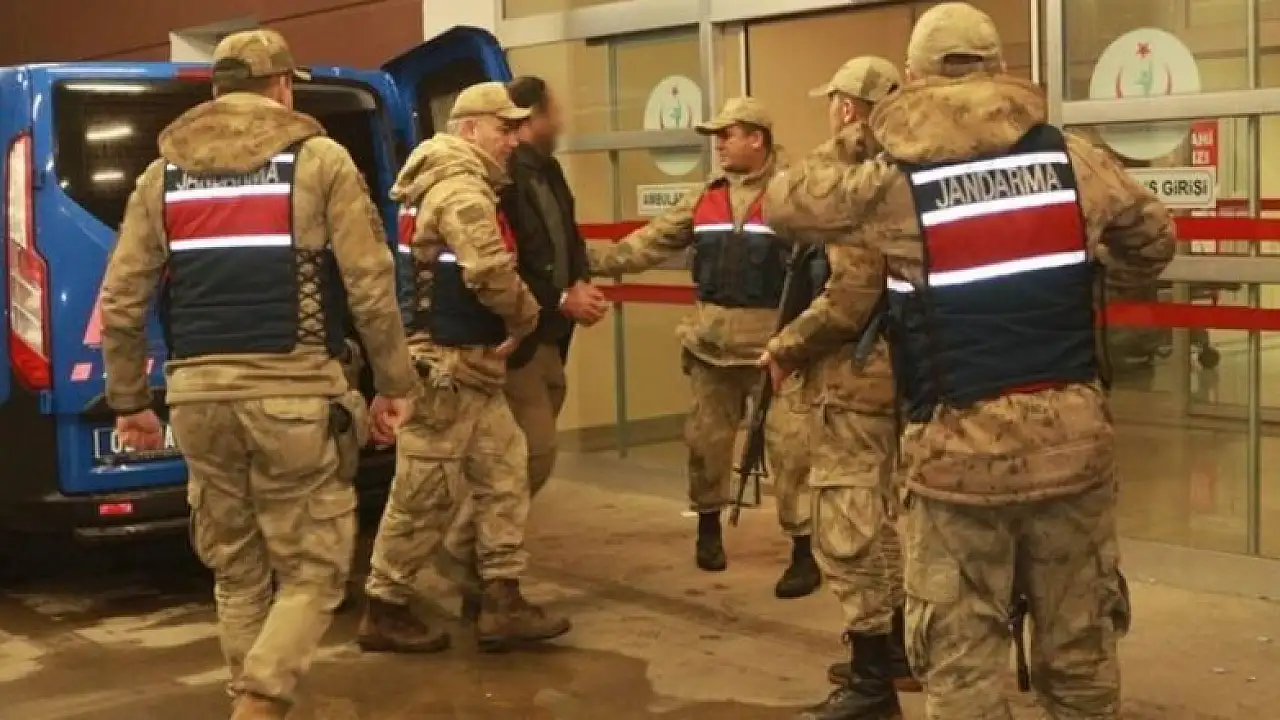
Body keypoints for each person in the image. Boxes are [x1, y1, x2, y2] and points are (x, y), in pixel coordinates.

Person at [763, 3, 1172, 718]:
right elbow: (1153, 241)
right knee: (1080, 656)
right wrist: (1088, 275)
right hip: (1072, 448)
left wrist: (866, 130)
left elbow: (784, 205)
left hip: (956, 459)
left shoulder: (893, 183)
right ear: (1002, 70)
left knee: (961, 665)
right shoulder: (1070, 159)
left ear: (915, 78)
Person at [99, 29, 417, 720]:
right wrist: (395, 386)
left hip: (197, 401)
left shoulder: (162, 176)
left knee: (237, 571)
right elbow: (369, 285)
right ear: (281, 87)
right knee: (315, 571)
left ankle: (250, 697)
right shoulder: (319, 161)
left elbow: (121, 297)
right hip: (295, 397)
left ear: (217, 90)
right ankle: (261, 698)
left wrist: (130, 400)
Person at [358, 81, 572, 655]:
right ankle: (385, 606)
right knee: (423, 492)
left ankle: (501, 599)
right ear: (470, 129)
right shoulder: (460, 188)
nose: (513, 140)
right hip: (446, 368)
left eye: (516, 128)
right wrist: (526, 320)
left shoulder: (450, 182)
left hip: (471, 368)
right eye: (504, 128)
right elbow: (490, 272)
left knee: (505, 474)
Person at [587, 97, 819, 598]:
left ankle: (804, 553)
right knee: (705, 444)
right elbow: (648, 243)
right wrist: (585, 260)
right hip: (711, 349)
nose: (718, 145)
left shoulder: (794, 193)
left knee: (792, 452)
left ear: (756, 138)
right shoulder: (704, 197)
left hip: (776, 353)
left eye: (727, 135)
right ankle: (708, 529)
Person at [758, 56, 922, 720]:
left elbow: (851, 296)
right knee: (888, 515)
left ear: (849, 108)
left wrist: (786, 347)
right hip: (909, 374)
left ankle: (871, 679)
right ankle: (899, 651)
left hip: (859, 379)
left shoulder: (859, 181)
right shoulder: (914, 165)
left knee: (847, 524)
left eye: (833, 102)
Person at [500, 75, 610, 498]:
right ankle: (481, 530)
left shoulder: (550, 171)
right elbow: (509, 262)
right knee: (536, 450)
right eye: (555, 112)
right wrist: (561, 298)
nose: (561, 122)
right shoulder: (505, 178)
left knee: (539, 429)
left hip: (552, 335)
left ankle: (496, 527)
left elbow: (568, 235)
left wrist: (580, 282)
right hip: (520, 336)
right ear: (533, 117)